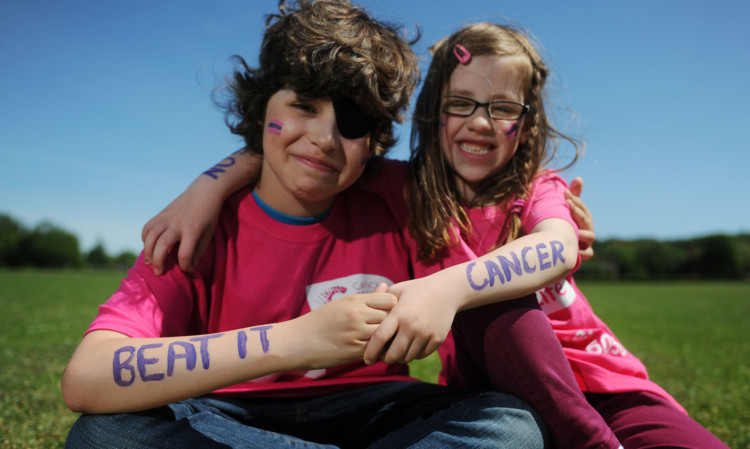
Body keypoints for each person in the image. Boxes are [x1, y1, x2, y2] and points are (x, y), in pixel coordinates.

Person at [141, 20, 732, 449]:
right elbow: (310, 150)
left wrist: (444, 289)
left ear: (526, 127)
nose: (480, 122)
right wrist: (208, 185)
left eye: (503, 108)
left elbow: (555, 246)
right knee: (492, 333)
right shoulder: (402, 187)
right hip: (501, 382)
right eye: (461, 104)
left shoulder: (534, 187)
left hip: (606, 384)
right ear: (432, 114)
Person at [61, 3, 550, 448]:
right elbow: (87, 377)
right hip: (227, 412)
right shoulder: (194, 227)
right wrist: (297, 340)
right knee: (104, 434)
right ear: (263, 108)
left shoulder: (404, 198)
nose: (323, 139)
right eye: (303, 106)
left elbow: (508, 205)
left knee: (509, 425)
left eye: (352, 124)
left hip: (379, 408)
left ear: (375, 142)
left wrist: (559, 217)